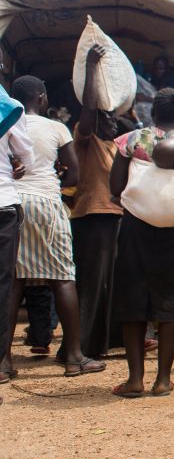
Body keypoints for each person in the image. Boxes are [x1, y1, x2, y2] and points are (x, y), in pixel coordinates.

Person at [1, 76, 106, 378]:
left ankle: (4, 361)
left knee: (12, 282)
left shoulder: (8, 117)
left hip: (12, 202)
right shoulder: (56, 127)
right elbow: (73, 175)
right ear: (43, 99)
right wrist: (57, 173)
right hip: (46, 201)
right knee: (62, 277)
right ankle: (74, 358)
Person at [108, 88, 174, 398]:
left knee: (134, 299)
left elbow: (115, 185)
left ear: (153, 111)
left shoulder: (132, 141)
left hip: (136, 229)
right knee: (173, 300)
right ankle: (163, 379)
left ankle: (135, 379)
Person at [69, 45, 124, 360]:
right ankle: (80, 347)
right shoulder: (86, 141)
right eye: (108, 118)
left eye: (115, 119)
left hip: (113, 219)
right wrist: (91, 67)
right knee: (90, 282)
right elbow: (88, 111)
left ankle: (103, 343)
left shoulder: (115, 148)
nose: (113, 124)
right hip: (92, 218)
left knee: (109, 282)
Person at [0, 87, 31, 387]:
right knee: (2, 285)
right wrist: (15, 162)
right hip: (3, 203)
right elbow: (26, 158)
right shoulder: (9, 106)